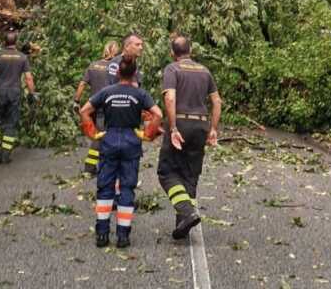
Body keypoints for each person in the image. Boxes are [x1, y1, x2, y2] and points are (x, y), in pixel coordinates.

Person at [81, 55, 162, 248]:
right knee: (126, 188)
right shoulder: (140, 94)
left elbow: (84, 111)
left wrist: (93, 133)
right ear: (135, 74)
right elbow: (158, 114)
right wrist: (147, 134)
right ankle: (123, 236)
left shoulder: (107, 92)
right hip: (130, 141)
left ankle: (102, 234)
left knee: (105, 187)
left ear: (117, 73)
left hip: (108, 141)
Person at [157, 36, 221, 239]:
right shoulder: (204, 71)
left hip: (181, 122)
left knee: (167, 172)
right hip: (201, 123)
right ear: (190, 50)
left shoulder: (172, 69)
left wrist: (173, 127)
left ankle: (187, 212)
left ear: (172, 53)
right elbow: (217, 101)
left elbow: (170, 97)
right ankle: (182, 224)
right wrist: (213, 129)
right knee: (190, 174)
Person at [0, 29, 38, 164]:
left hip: (0, 91)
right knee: (10, 123)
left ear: (4, 42)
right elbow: (29, 78)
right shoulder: (22, 57)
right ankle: (5, 155)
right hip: (14, 93)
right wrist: (32, 93)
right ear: (16, 42)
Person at [73, 40, 120, 175]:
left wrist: (76, 100)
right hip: (107, 107)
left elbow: (82, 84)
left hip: (92, 106)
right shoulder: (115, 68)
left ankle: (105, 164)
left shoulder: (93, 65)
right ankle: (89, 168)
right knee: (100, 137)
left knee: (100, 135)